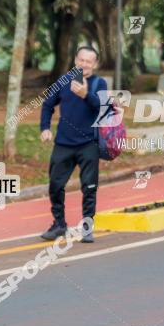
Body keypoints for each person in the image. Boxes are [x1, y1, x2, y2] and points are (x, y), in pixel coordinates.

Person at [39, 46, 107, 243]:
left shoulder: (99, 83)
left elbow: (103, 108)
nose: (84, 64)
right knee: (55, 185)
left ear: (95, 64)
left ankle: (87, 228)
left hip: (89, 144)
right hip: (63, 143)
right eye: (81, 60)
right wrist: (45, 128)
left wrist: (86, 94)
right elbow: (47, 105)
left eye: (89, 61)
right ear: (75, 60)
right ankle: (59, 224)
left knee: (89, 187)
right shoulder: (63, 81)